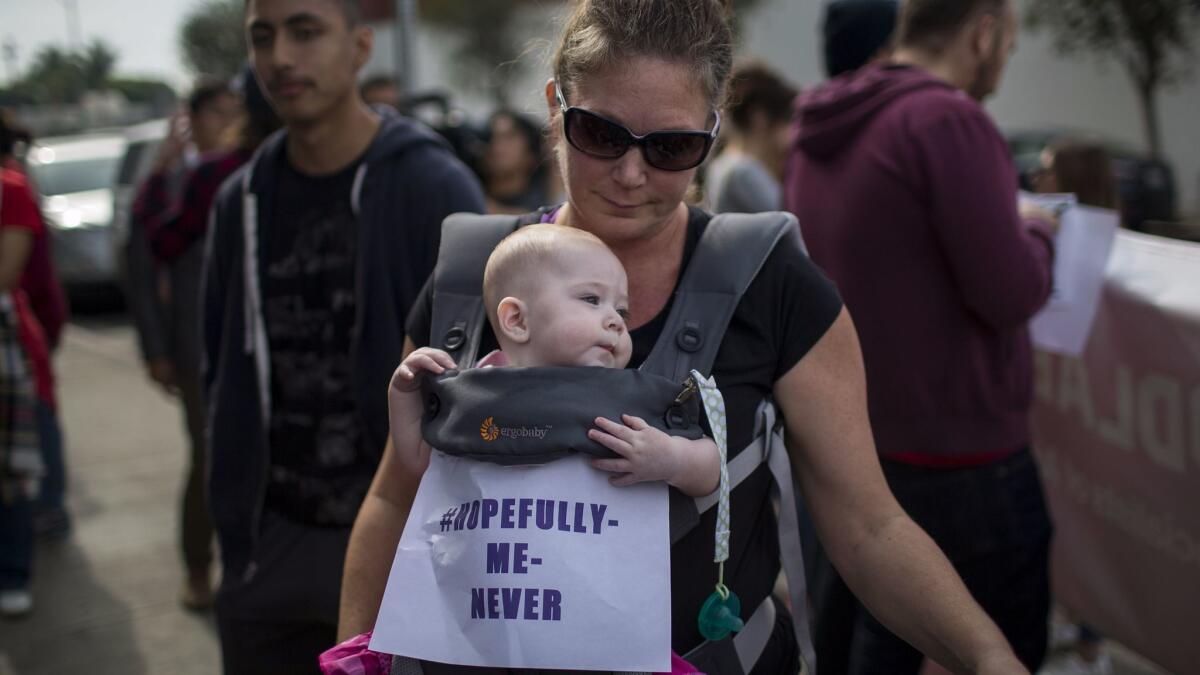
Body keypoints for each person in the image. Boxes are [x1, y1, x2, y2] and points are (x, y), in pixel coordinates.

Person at [340, 1, 1030, 673]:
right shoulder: (478, 282)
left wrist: (987, 654)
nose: (632, 172)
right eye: (601, 134)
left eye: (672, 147)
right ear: (556, 105)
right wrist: (355, 652)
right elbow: (394, 498)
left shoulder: (774, 286)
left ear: (713, 132)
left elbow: (868, 527)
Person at [201, 0, 485, 671]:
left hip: (399, 534)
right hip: (267, 538)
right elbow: (220, 370)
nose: (280, 57)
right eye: (262, 37)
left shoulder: (431, 184)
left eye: (305, 32)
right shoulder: (238, 200)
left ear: (360, 46)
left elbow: (481, 378)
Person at [786, 0, 1058, 672]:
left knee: (871, 646)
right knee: (994, 644)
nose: (1004, 61)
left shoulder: (822, 122)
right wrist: (1040, 236)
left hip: (859, 445)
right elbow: (1010, 292)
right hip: (967, 460)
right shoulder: (947, 119)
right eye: (1010, 43)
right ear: (985, 31)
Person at [390, 223, 719, 496]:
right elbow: (422, 460)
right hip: (497, 568)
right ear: (517, 320)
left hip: (599, 569)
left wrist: (673, 459)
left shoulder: (628, 398)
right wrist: (404, 394)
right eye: (591, 299)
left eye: (621, 311)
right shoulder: (476, 392)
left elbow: (711, 468)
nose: (616, 321)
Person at [130, 70, 278, 611]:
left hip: (266, 338)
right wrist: (157, 351)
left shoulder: (269, 164)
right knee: (211, 455)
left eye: (234, 109)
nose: (229, 120)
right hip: (199, 345)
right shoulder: (178, 181)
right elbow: (145, 265)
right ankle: (199, 566)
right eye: (217, 111)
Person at [1033, 138, 1117, 675]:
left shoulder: (1105, 252)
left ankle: (1091, 645)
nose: (1035, 180)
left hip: (1094, 420)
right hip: (1056, 415)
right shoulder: (1053, 235)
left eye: (1046, 170)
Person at [0, 111, 71, 541]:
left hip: (17, 342)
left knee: (32, 431)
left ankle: (43, 518)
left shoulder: (12, 188)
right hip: (28, 333)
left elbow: (26, 276)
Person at [0, 120, 52, 618]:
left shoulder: (10, 190)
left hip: (7, 352)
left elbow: (8, 275)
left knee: (12, 467)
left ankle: (13, 572)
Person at [704, 61, 796, 214]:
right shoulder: (742, 171)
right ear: (759, 117)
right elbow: (792, 219)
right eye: (786, 119)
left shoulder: (723, 164)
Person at [480, 110, 550, 214]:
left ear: (531, 153)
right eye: (491, 136)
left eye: (509, 137)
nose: (496, 145)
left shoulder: (543, 209)